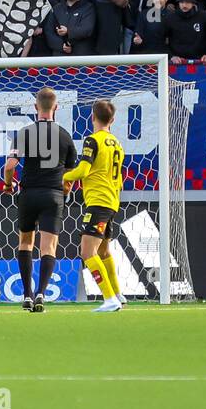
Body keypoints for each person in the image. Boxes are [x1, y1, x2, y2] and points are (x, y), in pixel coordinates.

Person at [4, 86, 78, 313]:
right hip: (53, 194)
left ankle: (26, 295)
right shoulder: (65, 135)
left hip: (28, 194)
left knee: (25, 242)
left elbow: (10, 165)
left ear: (36, 107)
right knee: (49, 247)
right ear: (56, 107)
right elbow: (70, 175)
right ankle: (41, 294)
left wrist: (8, 184)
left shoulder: (25, 132)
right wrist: (64, 192)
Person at [63, 99, 126, 313]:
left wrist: (62, 176)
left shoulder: (92, 140)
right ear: (113, 120)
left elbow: (82, 170)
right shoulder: (117, 143)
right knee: (104, 251)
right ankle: (117, 294)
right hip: (111, 201)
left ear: (92, 117)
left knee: (88, 252)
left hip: (98, 202)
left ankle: (109, 299)